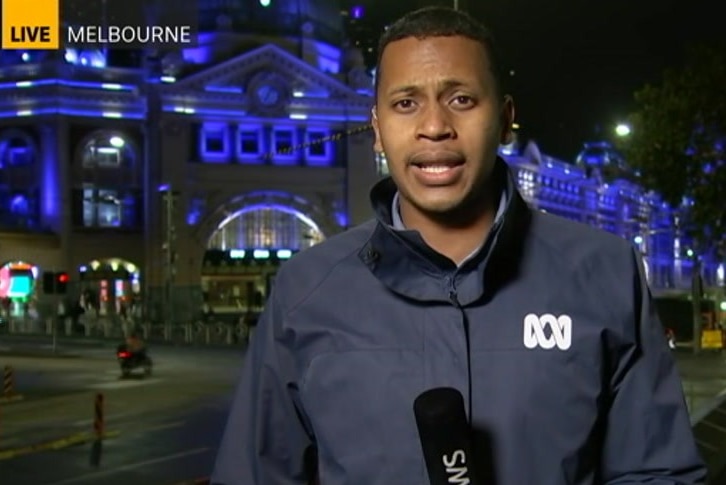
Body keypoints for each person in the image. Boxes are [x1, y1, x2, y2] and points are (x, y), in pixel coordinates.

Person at [211, 6, 706, 484]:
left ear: (507, 117)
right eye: (406, 103)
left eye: (461, 99)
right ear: (378, 129)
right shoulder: (306, 289)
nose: (433, 127)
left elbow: (657, 471)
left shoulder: (605, 272)